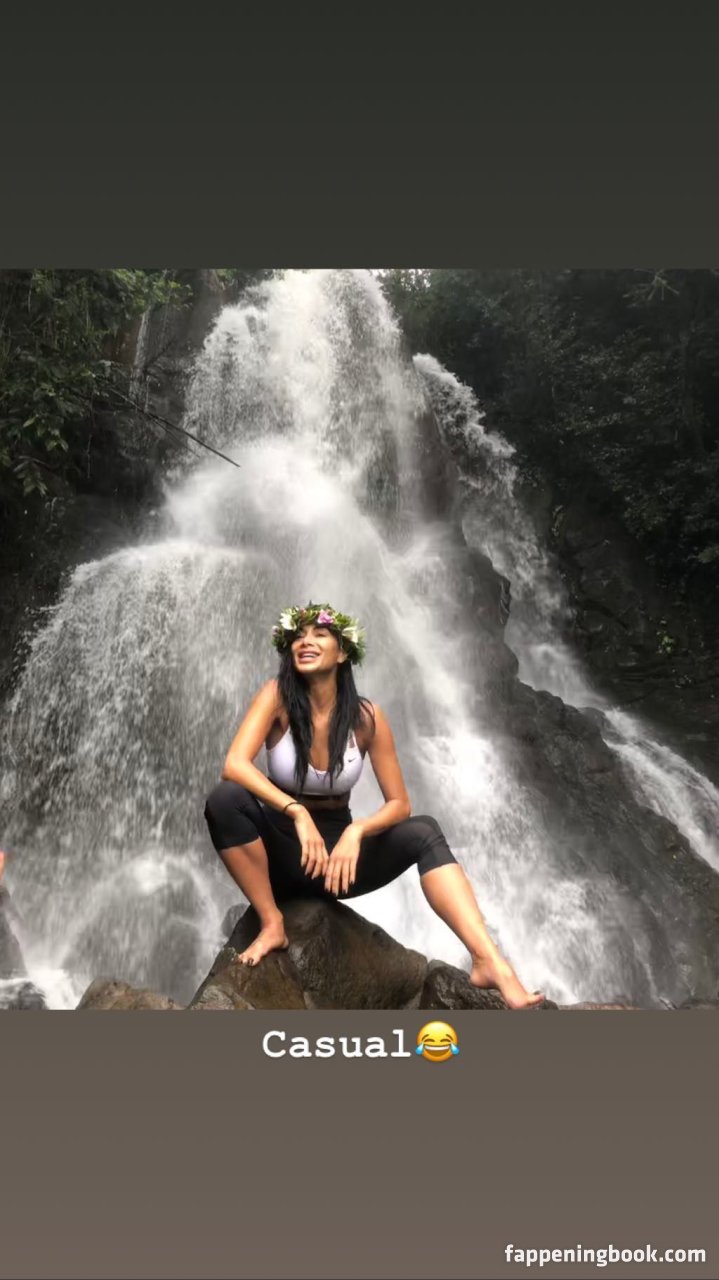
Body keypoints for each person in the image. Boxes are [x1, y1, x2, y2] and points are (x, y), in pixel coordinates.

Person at [204, 601, 544, 1009]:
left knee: (424, 830)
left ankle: (489, 960)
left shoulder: (367, 717)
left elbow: (399, 803)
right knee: (225, 799)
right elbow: (235, 764)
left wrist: (357, 830)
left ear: (342, 652)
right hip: (282, 852)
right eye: (298, 636)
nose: (305, 641)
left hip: (338, 866)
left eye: (319, 634)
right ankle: (272, 921)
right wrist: (296, 812)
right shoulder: (276, 696)